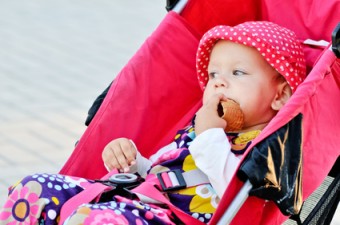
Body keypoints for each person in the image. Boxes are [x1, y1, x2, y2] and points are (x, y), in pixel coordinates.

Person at [0, 21, 306, 225]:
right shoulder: (202, 127)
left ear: (280, 95)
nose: (219, 83)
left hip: (171, 219)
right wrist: (133, 164)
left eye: (238, 73)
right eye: (213, 74)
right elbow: (166, 175)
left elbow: (237, 200)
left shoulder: (266, 149)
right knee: (32, 188)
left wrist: (209, 135)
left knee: (98, 219)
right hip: (136, 200)